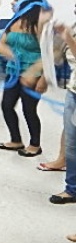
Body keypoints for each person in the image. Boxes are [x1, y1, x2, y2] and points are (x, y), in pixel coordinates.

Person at [0, 0, 47, 157]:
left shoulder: (40, 24)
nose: (12, 2)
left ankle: (35, 145)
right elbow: (1, 42)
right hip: (13, 72)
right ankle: (16, 140)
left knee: (29, 110)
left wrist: (43, 80)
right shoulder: (14, 21)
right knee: (7, 105)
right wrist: (6, 51)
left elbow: (49, 55)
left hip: (32, 74)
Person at [48, 19, 76, 204]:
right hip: (73, 90)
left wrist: (68, 38)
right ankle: (72, 189)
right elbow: (59, 56)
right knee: (71, 143)